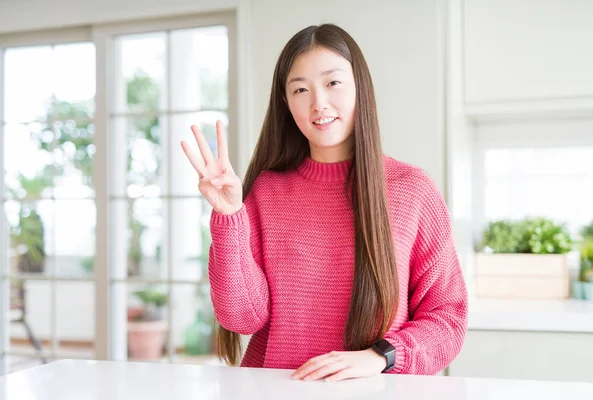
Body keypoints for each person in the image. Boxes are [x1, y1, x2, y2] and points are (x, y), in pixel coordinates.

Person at [181, 23, 468, 383]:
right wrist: (228, 217)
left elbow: (447, 318)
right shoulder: (266, 192)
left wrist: (381, 357)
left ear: (360, 87)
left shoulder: (412, 190)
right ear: (285, 103)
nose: (319, 103)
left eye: (333, 83)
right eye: (300, 89)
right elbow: (242, 318)